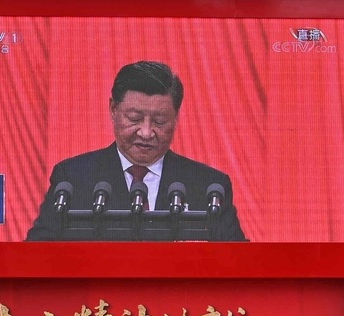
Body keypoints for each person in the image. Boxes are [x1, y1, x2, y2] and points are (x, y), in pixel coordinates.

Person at [26, 61, 246, 242]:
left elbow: (239, 263)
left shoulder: (209, 186)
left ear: (176, 118)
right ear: (113, 110)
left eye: (159, 121)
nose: (146, 132)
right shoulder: (73, 179)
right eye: (134, 119)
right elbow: (36, 256)